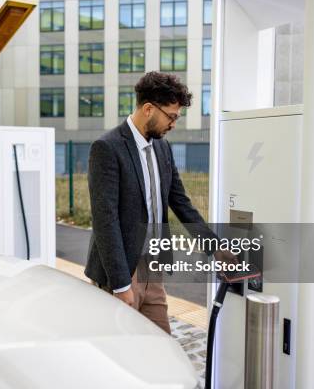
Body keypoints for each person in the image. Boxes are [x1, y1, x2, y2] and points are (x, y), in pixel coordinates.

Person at [84, 71, 236, 334]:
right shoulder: (107, 148)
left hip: (152, 271)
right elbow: (105, 220)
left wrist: (215, 247)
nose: (174, 124)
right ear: (148, 109)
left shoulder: (162, 148)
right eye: (172, 116)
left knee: (162, 344)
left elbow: (181, 203)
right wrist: (121, 285)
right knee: (121, 354)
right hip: (120, 274)